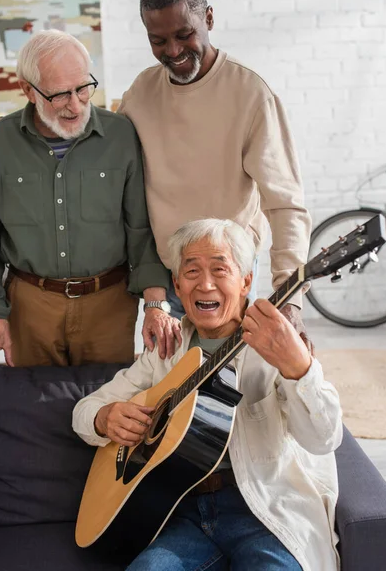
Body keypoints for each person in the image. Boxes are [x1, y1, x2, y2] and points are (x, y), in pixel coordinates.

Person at [73, 218, 342, 571]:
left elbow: (325, 438)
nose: (206, 283)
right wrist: (104, 418)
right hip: (181, 512)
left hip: (266, 512)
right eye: (192, 271)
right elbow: (84, 410)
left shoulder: (277, 344)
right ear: (177, 284)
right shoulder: (165, 352)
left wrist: (299, 369)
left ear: (246, 281)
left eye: (220, 269)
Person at [117, 0, 312, 346]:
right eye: (158, 40)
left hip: (228, 274)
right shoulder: (141, 94)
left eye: (184, 34)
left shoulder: (250, 94)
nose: (172, 51)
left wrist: (290, 299)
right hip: (168, 272)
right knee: (169, 392)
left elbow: (285, 203)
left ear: (208, 18)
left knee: (236, 384)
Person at [0, 29, 180, 367]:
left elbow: (141, 227)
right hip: (30, 306)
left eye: (83, 88)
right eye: (60, 95)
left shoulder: (121, 134)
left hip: (109, 305)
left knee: (110, 407)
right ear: (27, 90)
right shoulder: (0, 141)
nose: (76, 105)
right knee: (34, 412)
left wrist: (155, 304)